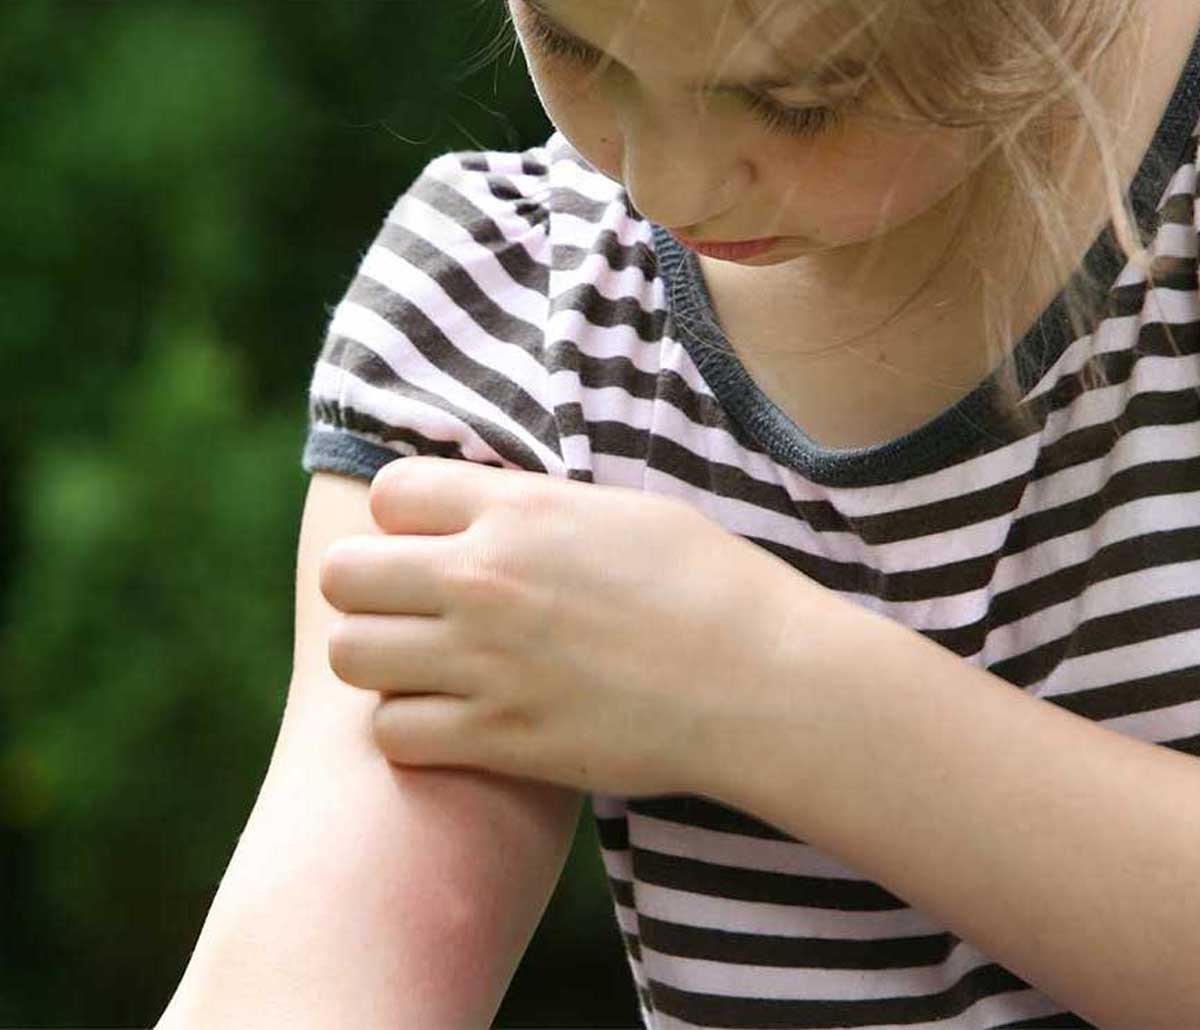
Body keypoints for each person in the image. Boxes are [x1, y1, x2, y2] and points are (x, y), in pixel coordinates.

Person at [156, 1, 1200, 1027]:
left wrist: (759, 685)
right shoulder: (507, 314)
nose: (664, 185)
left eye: (793, 99)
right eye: (570, 43)